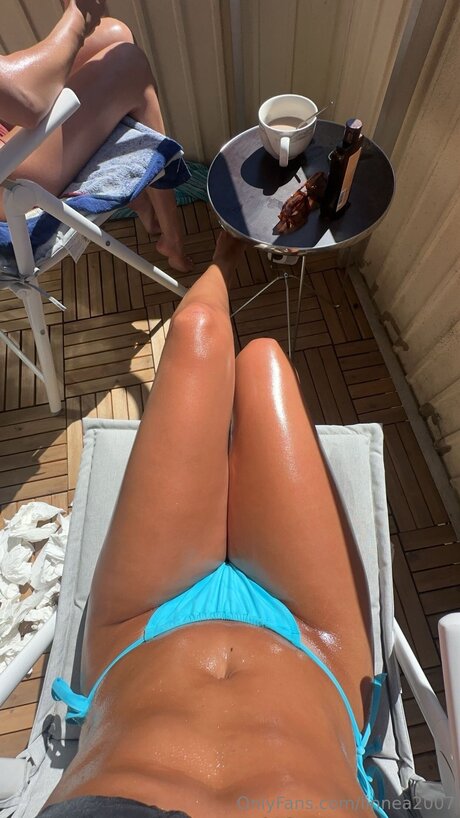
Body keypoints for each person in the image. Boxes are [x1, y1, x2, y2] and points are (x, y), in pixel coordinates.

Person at [36, 230, 387, 818]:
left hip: (138, 633)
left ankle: (225, 256)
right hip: (314, 649)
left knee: (197, 331)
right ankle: (227, 256)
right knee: (262, 360)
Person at [0, 0, 192, 272]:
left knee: (116, 34)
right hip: (6, 181)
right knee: (128, 63)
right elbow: (27, 102)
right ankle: (172, 237)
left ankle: (148, 210)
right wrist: (78, 16)